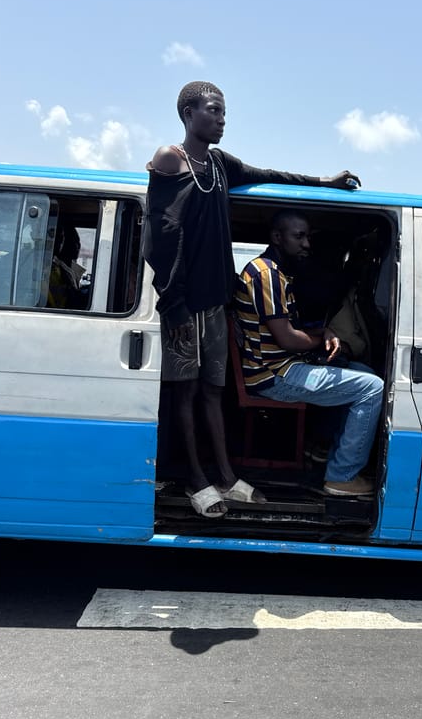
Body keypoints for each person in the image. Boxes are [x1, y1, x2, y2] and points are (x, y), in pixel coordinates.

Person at [144, 80, 361, 518]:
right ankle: (195, 479)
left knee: (213, 392)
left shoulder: (220, 164)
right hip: (183, 304)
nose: (222, 118)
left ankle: (225, 474)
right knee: (184, 394)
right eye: (213, 110)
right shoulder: (172, 159)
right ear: (188, 114)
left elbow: (269, 175)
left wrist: (324, 182)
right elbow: (160, 238)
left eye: (224, 112)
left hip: (215, 299)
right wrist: (174, 304)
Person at [234, 210, 384, 497]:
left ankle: (325, 451)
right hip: (273, 375)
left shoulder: (276, 272)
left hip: (283, 366)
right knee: (372, 389)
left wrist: (325, 334)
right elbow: (288, 339)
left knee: (366, 374)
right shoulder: (266, 274)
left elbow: (293, 329)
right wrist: (322, 339)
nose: (306, 244)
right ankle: (342, 476)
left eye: (307, 237)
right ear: (277, 237)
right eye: (298, 236)